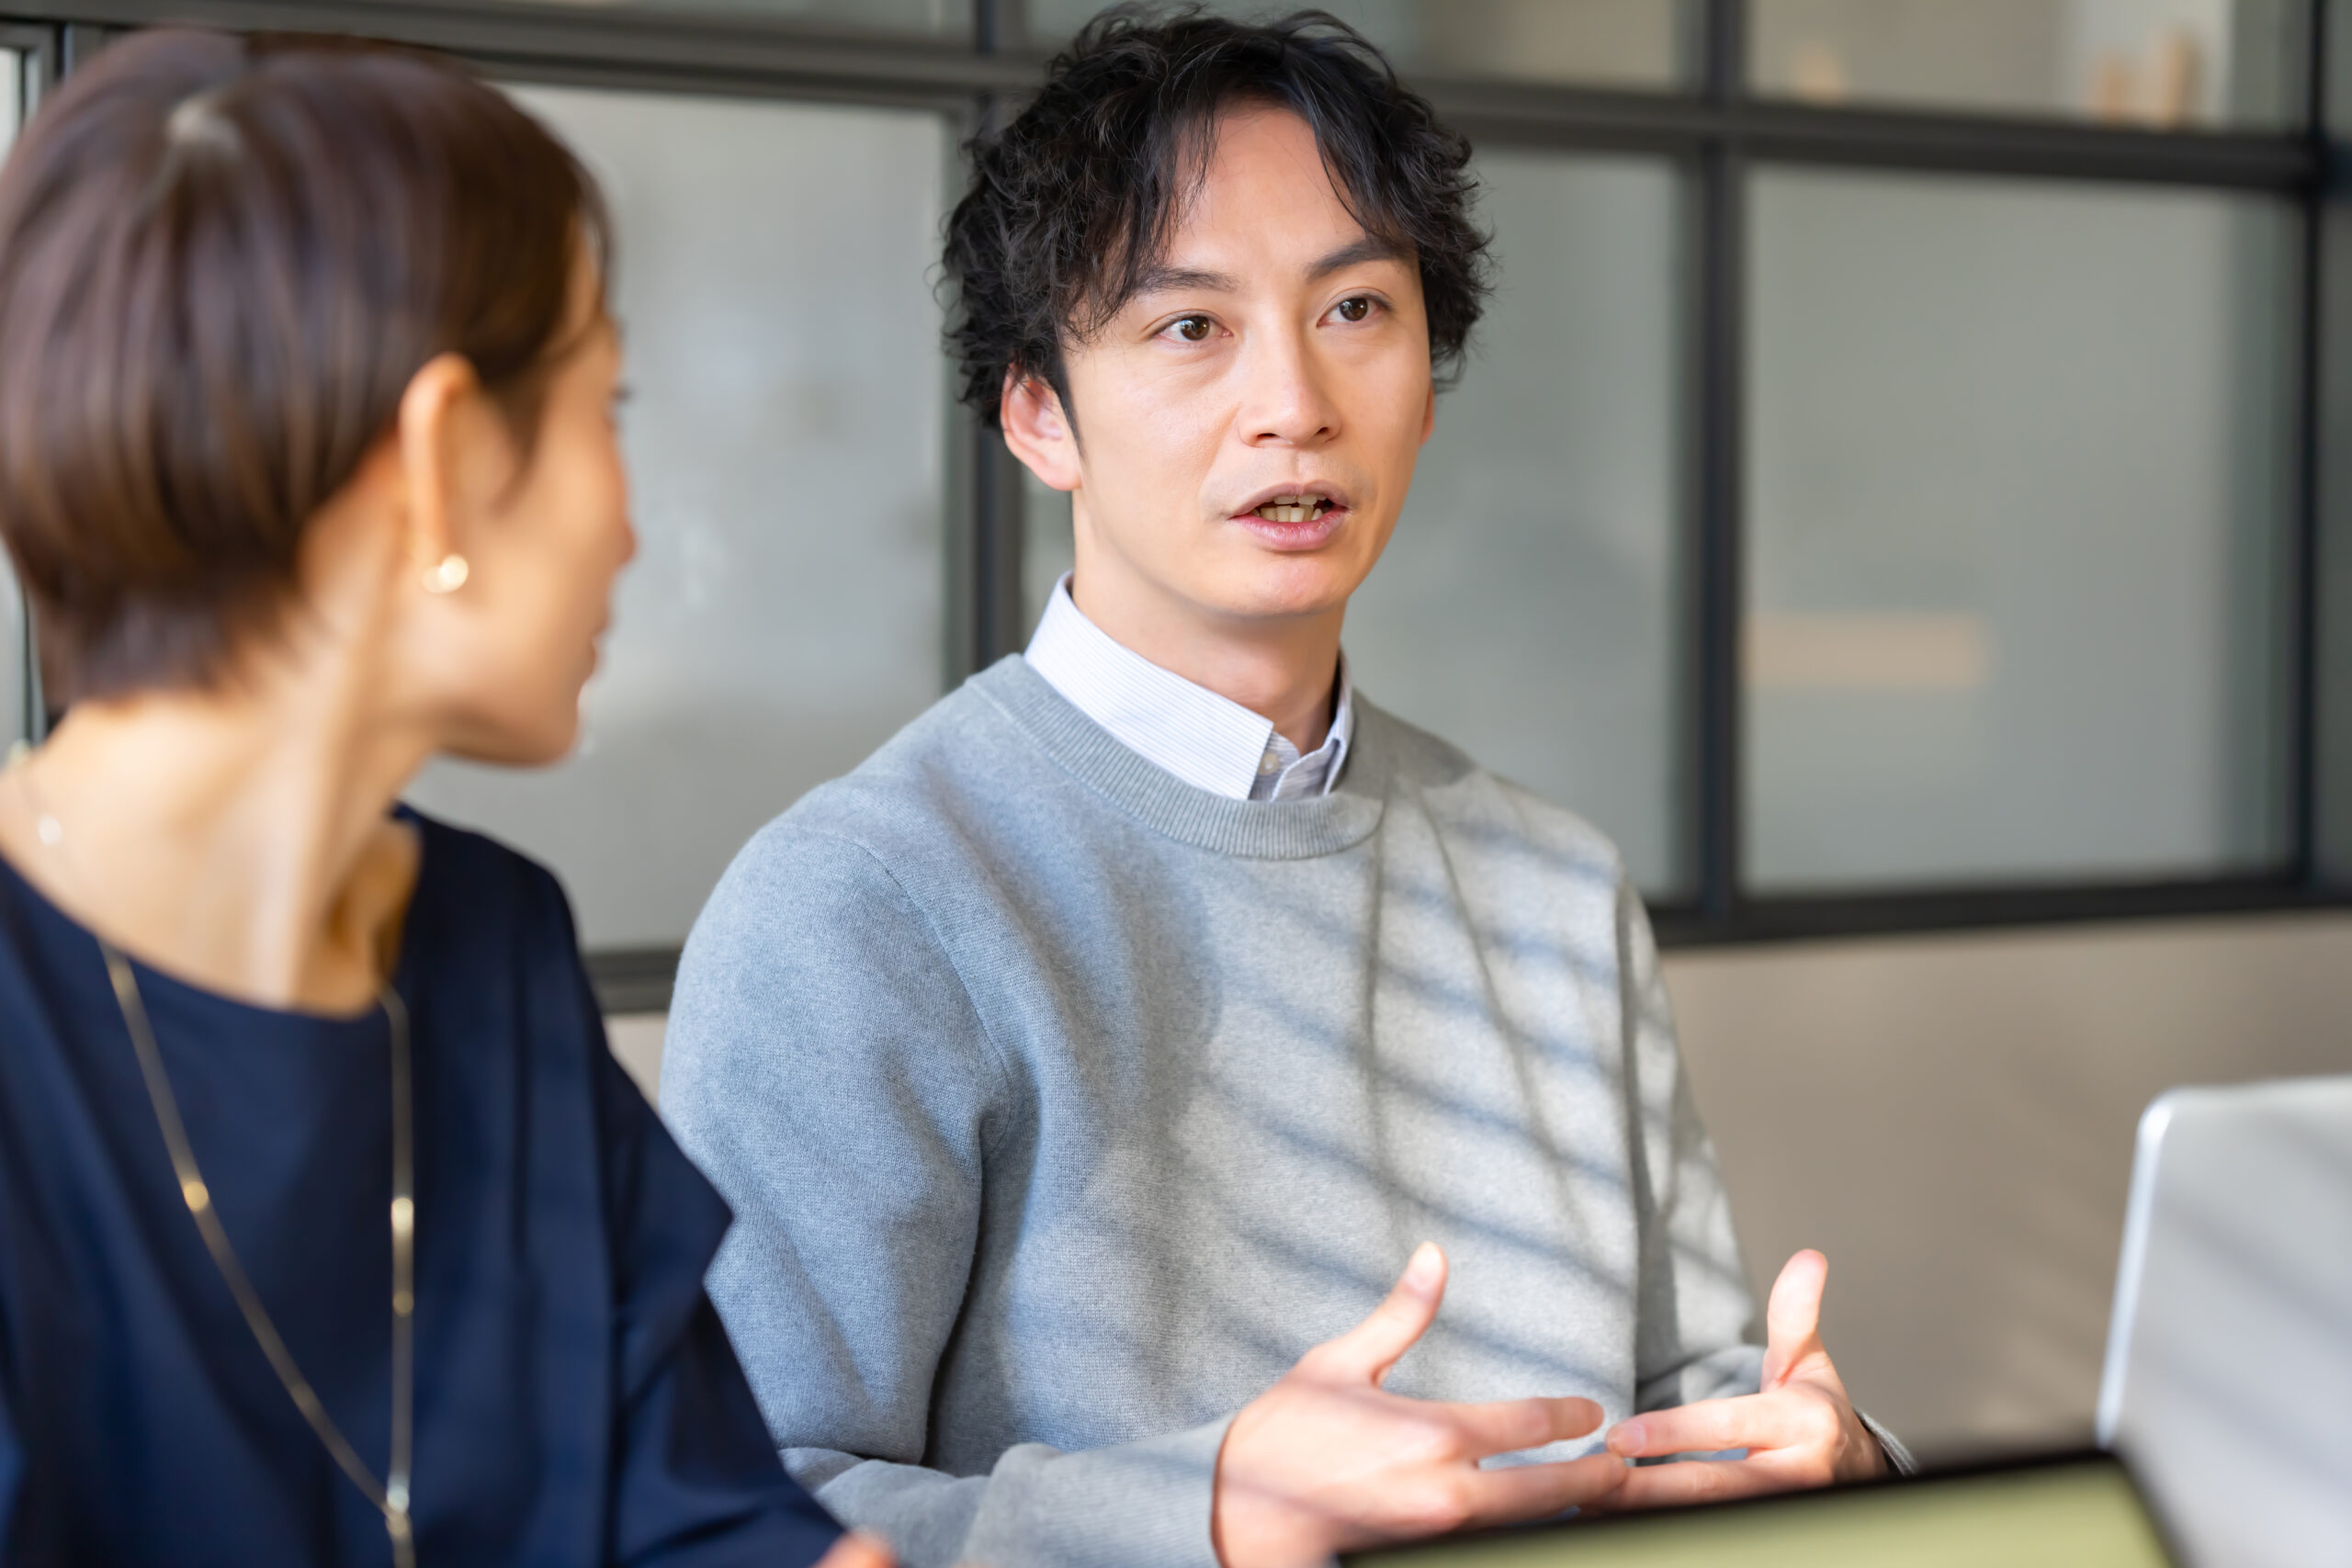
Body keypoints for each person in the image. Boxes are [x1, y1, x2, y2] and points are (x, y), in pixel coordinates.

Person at [664, 9, 1911, 1568]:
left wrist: (1835, 1465)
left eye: (1356, 309)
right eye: (1191, 327)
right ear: (1038, 410)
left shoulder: (1554, 884)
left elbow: (1691, 1406)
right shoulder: (862, 905)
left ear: (1428, 378)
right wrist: (1201, 1518)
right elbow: (722, 1518)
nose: (1296, 402)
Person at [0, 30, 888, 1568]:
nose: (631, 526)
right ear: (448, 456)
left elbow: (711, 1523)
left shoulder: (494, 947)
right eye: (607, 406)